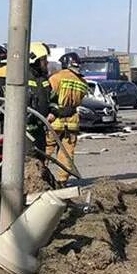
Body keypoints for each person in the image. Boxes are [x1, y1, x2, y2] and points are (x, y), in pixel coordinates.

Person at [46, 52, 89, 186]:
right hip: (72, 122)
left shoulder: (55, 78)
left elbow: (48, 96)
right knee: (67, 153)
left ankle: (40, 176)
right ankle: (62, 180)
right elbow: (80, 99)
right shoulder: (83, 82)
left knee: (46, 149)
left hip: (55, 121)